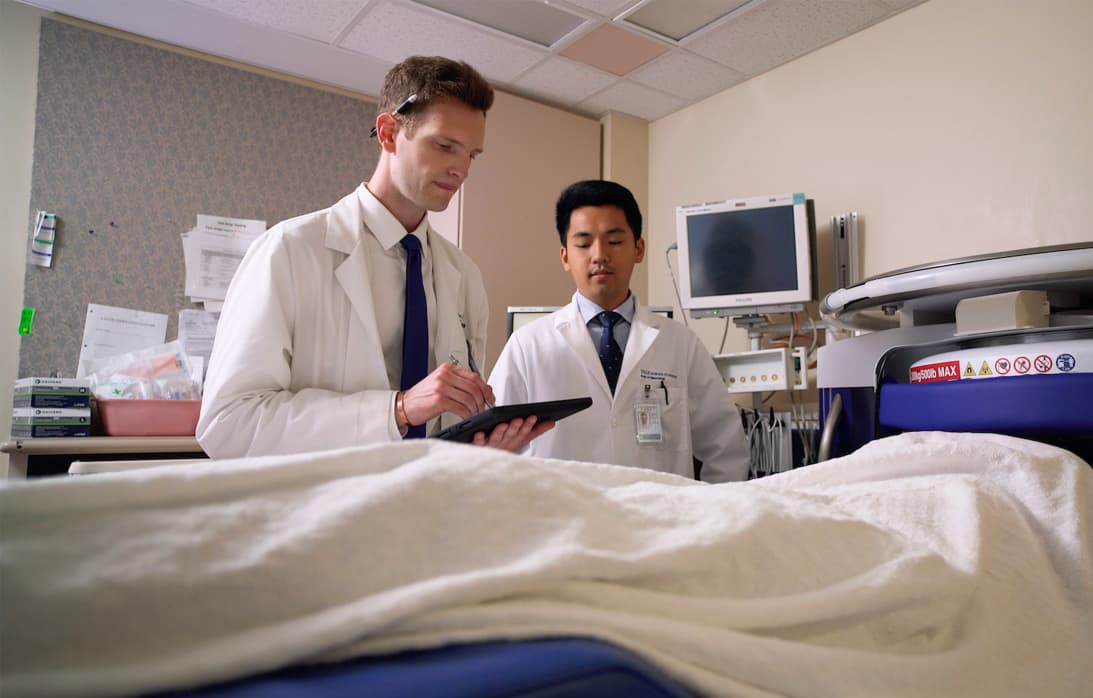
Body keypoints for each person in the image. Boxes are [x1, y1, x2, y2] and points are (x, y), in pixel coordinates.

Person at [198, 56, 551, 458]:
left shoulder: (463, 275)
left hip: (429, 504)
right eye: (444, 146)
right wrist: (397, 410)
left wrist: (486, 443)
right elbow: (227, 423)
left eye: (472, 155)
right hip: (321, 509)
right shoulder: (291, 251)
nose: (460, 170)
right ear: (388, 133)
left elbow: (449, 422)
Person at [488, 180, 749, 481]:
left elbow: (726, 449)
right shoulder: (527, 346)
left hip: (659, 522)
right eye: (584, 244)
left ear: (638, 249)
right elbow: (491, 452)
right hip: (563, 523)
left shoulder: (680, 343)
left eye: (614, 241)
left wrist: (708, 520)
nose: (599, 255)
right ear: (565, 257)